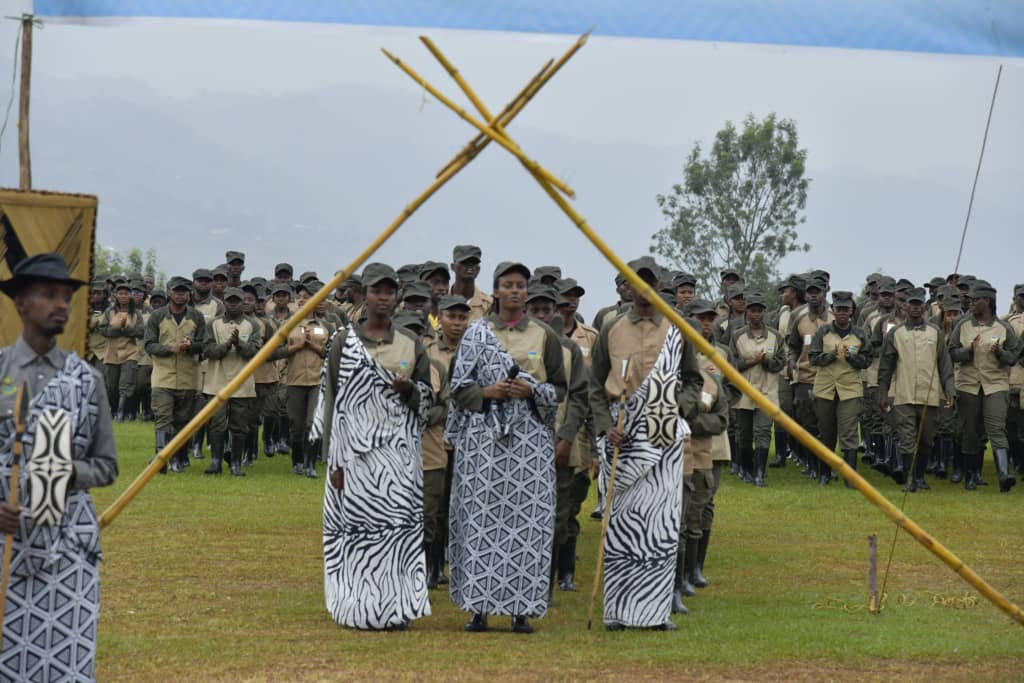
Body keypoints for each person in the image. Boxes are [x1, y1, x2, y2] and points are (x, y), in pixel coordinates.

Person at [0, 253, 119, 681]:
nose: (61, 305)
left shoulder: (87, 380)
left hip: (68, 551)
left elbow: (106, 466)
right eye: (49, 295)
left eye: (66, 297)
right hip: (5, 550)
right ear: (20, 303)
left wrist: (64, 476)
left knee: (65, 667)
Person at [447, 261, 566, 635]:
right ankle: (478, 608)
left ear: (527, 292)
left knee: (526, 523)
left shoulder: (544, 335)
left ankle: (521, 610)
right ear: (495, 291)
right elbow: (458, 389)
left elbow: (559, 388)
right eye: (507, 285)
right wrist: (487, 392)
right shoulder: (474, 334)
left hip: (529, 441)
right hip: (483, 441)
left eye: (520, 285)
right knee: (481, 520)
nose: (514, 291)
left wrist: (532, 390)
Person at [312, 263, 432, 631]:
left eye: (389, 291)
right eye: (376, 291)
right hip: (353, 456)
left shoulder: (411, 344)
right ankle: (357, 606)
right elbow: (330, 400)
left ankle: (396, 609)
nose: (383, 298)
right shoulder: (342, 343)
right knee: (359, 531)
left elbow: (430, 401)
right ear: (363, 295)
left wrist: (409, 390)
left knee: (397, 531)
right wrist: (331, 460)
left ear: (396, 297)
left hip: (397, 457)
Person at [588, 257, 702, 631]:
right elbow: (594, 385)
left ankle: (654, 614)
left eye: (650, 282)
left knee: (660, 528)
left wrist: (676, 410)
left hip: (663, 438)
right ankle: (617, 612)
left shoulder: (678, 329)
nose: (643, 289)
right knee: (622, 528)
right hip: (622, 437)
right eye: (637, 282)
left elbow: (693, 381)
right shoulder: (610, 328)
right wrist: (605, 427)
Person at [525, 285, 588, 597]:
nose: (540, 317)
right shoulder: (514, 344)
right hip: (522, 447)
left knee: (557, 518)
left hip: (560, 446)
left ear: (556, 313)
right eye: (534, 310)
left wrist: (565, 438)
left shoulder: (569, 350)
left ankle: (547, 586)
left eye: (546, 310)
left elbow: (579, 397)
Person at [877, 288, 956, 492]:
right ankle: (910, 478)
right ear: (905, 306)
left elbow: (945, 364)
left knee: (927, 439)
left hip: (929, 395)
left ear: (924, 307)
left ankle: (920, 476)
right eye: (912, 304)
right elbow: (885, 366)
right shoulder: (896, 333)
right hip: (903, 395)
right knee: (906, 438)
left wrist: (949, 389)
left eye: (919, 304)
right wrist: (883, 392)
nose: (915, 308)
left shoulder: (935, 332)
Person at [948, 281, 1021, 491]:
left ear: (987, 301)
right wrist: (968, 350)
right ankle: (971, 476)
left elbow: (1013, 357)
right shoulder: (962, 325)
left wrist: (999, 352)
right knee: (970, 431)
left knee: (997, 428)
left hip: (995, 385)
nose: (969, 303)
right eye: (968, 299)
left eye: (974, 300)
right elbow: (951, 352)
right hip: (968, 385)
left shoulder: (1004, 327)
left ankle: (1004, 475)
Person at [422, 295, 469, 588]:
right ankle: (434, 566)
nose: (457, 322)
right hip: (439, 443)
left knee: (463, 506)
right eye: (452, 316)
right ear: (441, 320)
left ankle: (462, 568)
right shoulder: (428, 353)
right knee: (437, 507)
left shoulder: (477, 350)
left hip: (469, 441)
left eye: (462, 317)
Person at [808, 291, 874, 486]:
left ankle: (850, 477)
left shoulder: (860, 334)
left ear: (852, 311)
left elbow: (867, 360)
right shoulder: (823, 332)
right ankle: (824, 473)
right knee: (826, 432)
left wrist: (852, 357)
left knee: (849, 432)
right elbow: (813, 358)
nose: (843, 313)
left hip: (850, 389)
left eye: (846, 309)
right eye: (839, 310)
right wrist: (830, 356)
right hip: (825, 388)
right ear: (833, 311)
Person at [145, 277, 207, 473]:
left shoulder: (196, 317)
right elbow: (149, 345)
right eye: (176, 291)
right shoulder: (157, 316)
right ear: (169, 293)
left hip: (188, 377)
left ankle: (178, 458)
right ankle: (161, 459)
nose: (180, 295)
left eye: (184, 291)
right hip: (163, 376)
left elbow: (204, 345)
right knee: (163, 417)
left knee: (182, 421)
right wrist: (172, 349)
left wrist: (191, 347)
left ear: (189, 294)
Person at [202, 288, 263, 476]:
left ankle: (236, 463)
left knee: (239, 425)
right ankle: (215, 462)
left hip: (242, 384)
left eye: (237, 301)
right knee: (217, 423)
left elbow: (254, 352)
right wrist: (227, 345)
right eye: (230, 301)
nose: (234, 304)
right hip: (216, 381)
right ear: (225, 302)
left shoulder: (252, 324)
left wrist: (239, 344)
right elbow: (208, 350)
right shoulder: (212, 324)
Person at [729, 291, 786, 486]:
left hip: (767, 392)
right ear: (746, 312)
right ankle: (746, 468)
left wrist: (767, 361)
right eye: (752, 311)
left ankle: (760, 473)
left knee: (763, 431)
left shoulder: (776, 336)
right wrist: (753, 361)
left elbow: (781, 363)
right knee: (743, 434)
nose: (756, 314)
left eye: (759, 311)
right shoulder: (737, 336)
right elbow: (732, 364)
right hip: (744, 392)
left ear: (764, 312)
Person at [284, 281, 333, 477]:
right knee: (296, 424)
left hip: (317, 381)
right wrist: (296, 346)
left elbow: (330, 352)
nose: (302, 301)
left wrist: (312, 346)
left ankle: (311, 463)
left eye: (306, 297)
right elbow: (276, 351)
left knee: (312, 422)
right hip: (294, 380)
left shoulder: (325, 326)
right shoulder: (288, 326)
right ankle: (297, 462)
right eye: (299, 298)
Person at [787, 276, 833, 479]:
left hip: (830, 379)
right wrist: (791, 361)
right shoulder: (799, 317)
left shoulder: (834, 317)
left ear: (825, 293)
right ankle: (812, 465)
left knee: (827, 427)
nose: (813, 296)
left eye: (817, 292)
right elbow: (793, 346)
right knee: (807, 426)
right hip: (805, 379)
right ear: (805, 295)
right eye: (810, 292)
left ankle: (827, 468)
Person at [99, 280, 145, 420]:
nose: (123, 296)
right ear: (116, 295)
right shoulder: (109, 311)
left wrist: (127, 330)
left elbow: (141, 332)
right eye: (121, 293)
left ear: (130, 296)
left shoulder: (136, 313)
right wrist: (117, 329)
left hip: (130, 352)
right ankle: (113, 410)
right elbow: (103, 330)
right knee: (112, 386)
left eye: (126, 293)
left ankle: (121, 412)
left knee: (126, 385)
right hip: (111, 353)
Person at [449, 245, 492, 322]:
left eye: (474, 262)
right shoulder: (440, 301)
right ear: (453, 267)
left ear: (478, 269)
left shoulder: (489, 305)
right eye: (464, 262)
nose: (470, 265)